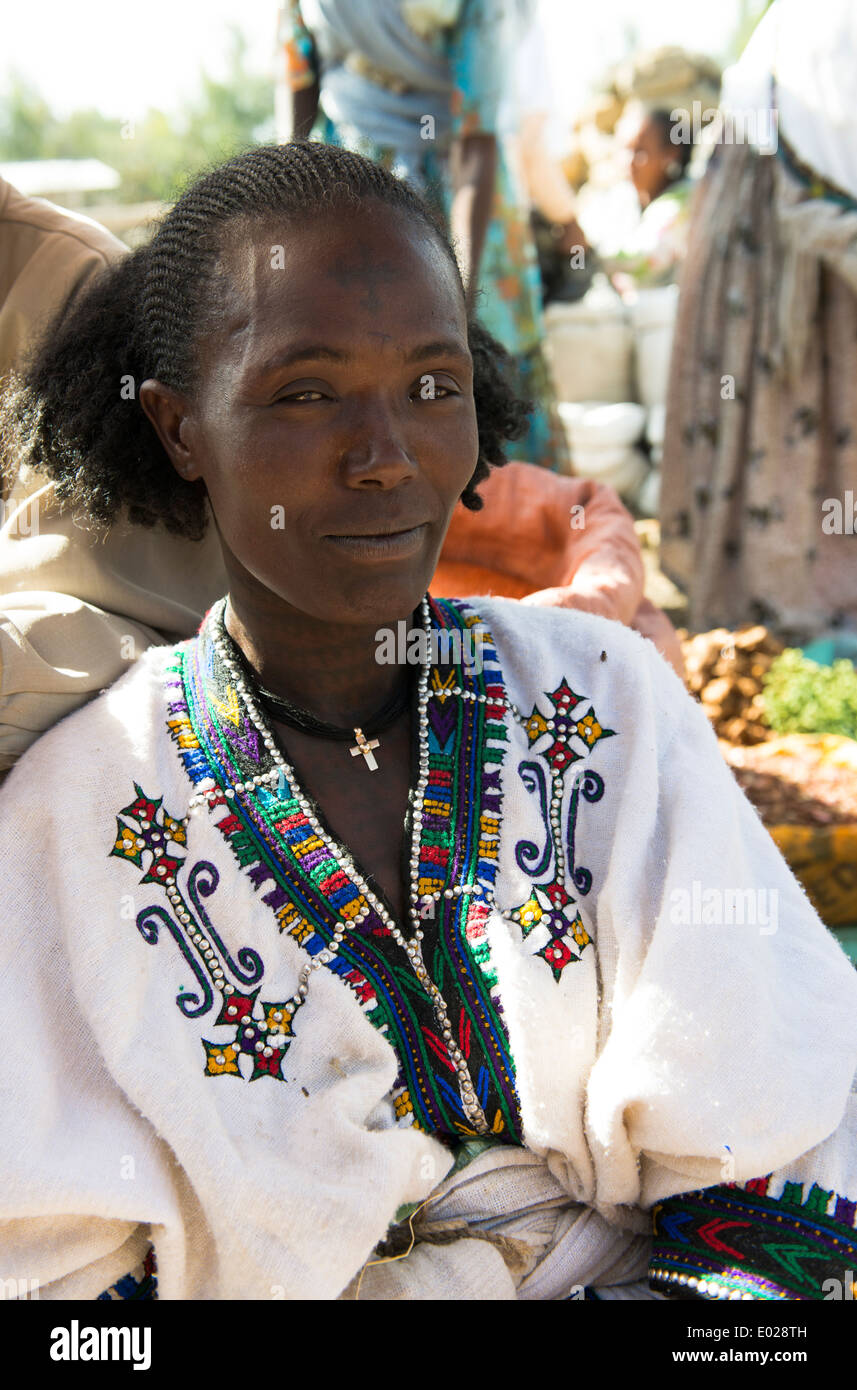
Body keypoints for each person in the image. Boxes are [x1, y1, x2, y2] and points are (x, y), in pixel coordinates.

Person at [1, 142, 856, 1301]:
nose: (384, 457)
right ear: (177, 427)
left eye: (428, 386)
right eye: (305, 392)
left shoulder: (604, 702)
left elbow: (788, 1184)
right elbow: (62, 1292)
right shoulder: (80, 806)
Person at [276, 0, 568, 470]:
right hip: (348, 194)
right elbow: (296, 111)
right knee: (354, 365)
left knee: (473, 375)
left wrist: (459, 304)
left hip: (464, 209)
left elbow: (476, 140)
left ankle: (493, 527)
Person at [660, 0, 857, 642]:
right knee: (799, 416)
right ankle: (792, 611)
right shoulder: (827, 27)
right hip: (781, 229)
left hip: (768, 207)